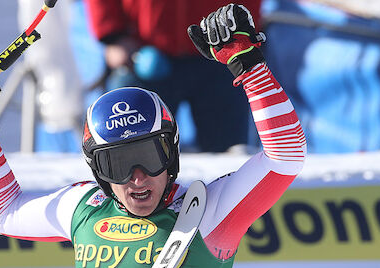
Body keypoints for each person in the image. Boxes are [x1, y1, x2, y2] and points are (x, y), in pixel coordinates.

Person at [0, 4, 305, 268]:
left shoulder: (211, 211)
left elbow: (285, 156)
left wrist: (249, 66)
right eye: (117, 164)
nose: (137, 177)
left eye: (149, 156)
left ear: (171, 152)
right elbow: (1, 211)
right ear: (97, 169)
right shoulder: (84, 206)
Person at [84, 0, 263, 153]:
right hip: (142, 56)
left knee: (230, 158)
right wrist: (113, 35)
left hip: (221, 53)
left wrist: (244, 32)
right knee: (130, 154)